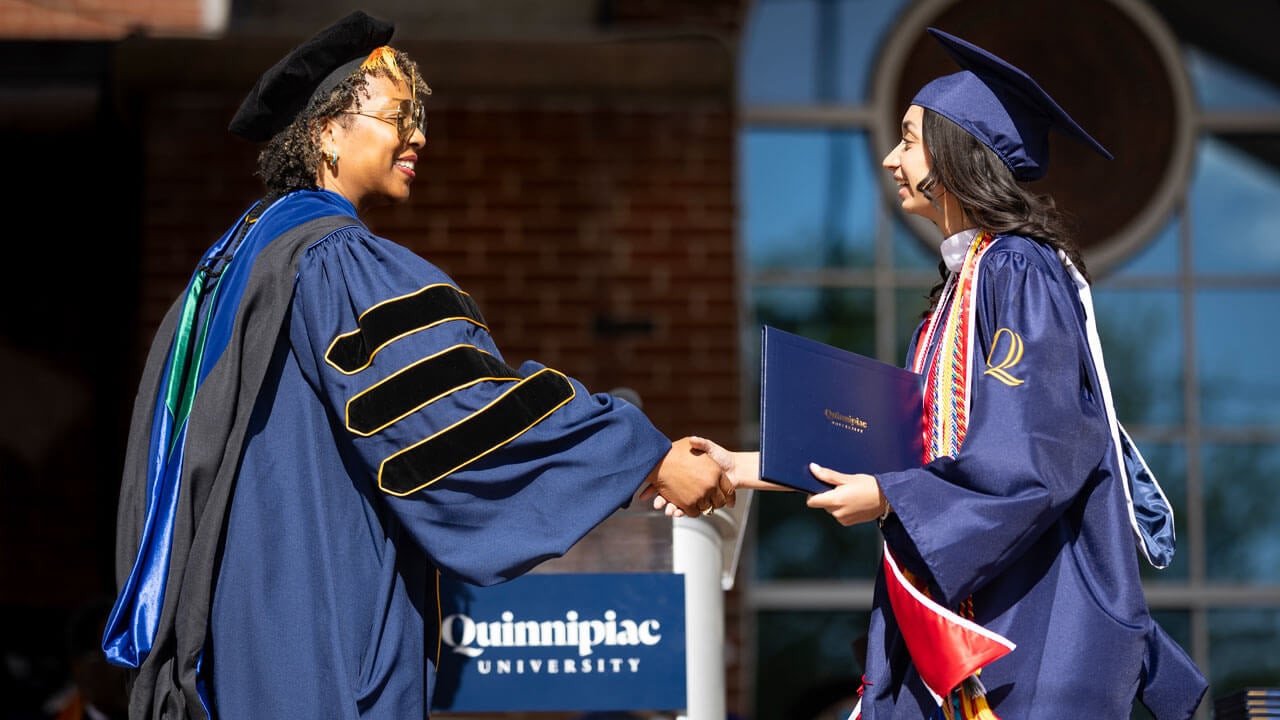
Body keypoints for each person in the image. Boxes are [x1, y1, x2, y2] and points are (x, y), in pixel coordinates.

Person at [101, 10, 732, 720]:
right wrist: (638, 453)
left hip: (240, 634)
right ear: (327, 131)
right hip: (319, 639)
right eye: (400, 115)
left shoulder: (226, 274)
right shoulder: (333, 260)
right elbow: (450, 417)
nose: (419, 135)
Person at [683, 27, 1208, 720]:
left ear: (957, 154)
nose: (891, 158)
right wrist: (743, 464)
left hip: (1025, 620)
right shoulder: (954, 299)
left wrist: (898, 499)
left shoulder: (1018, 269)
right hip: (964, 620)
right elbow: (894, 453)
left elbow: (1034, 447)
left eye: (908, 139)